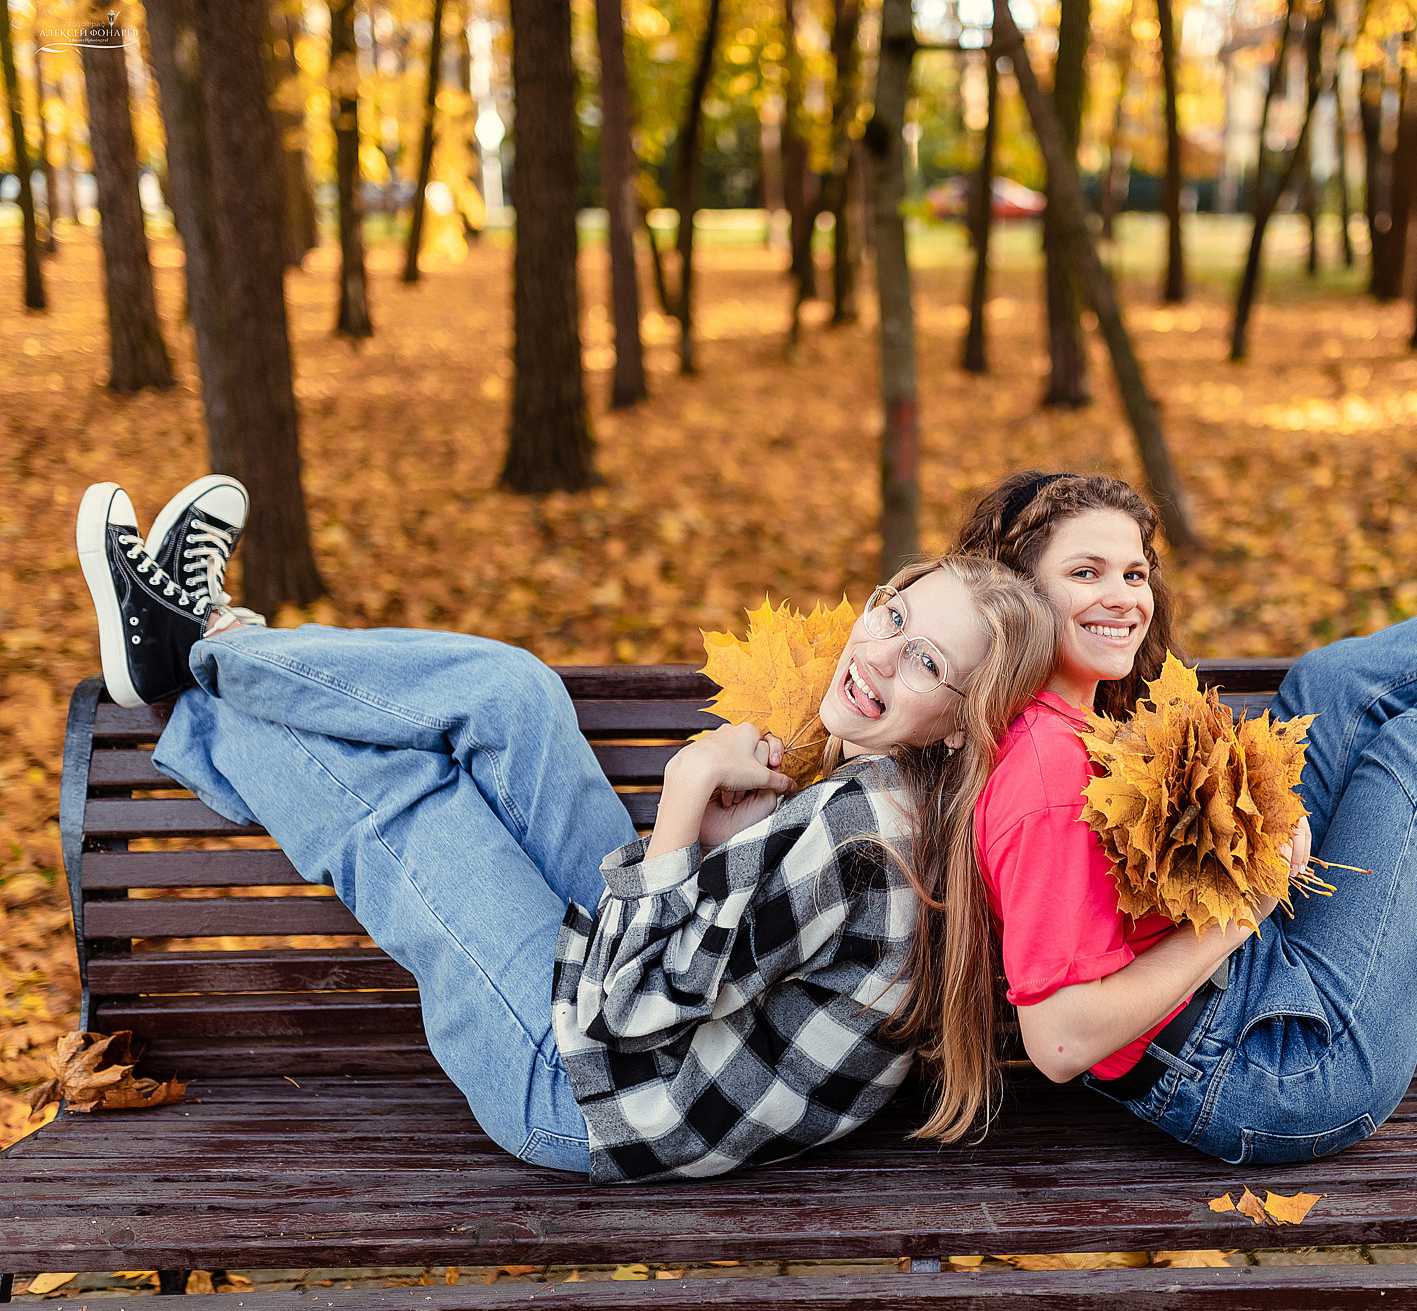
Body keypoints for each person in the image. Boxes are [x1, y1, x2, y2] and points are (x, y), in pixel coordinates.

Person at [74, 476, 1055, 1181]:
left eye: (925, 660)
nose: (876, 653)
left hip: (578, 1088)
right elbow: (716, 956)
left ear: (963, 721)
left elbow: (620, 1006)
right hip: (640, 1016)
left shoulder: (864, 832)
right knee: (513, 695)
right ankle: (199, 645)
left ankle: (193, 650)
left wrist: (680, 796)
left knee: (406, 793)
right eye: (890, 614)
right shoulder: (894, 786)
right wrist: (715, 848)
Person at [947, 433, 1417, 1163]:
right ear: (1019, 596)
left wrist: (1247, 824)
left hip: (1245, 987)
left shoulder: (1078, 710)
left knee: (1328, 690)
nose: (1122, 597)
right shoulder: (1044, 773)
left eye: (1134, 573)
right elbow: (1058, 1040)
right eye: (1087, 574)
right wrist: (1255, 899)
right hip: (1282, 1069)